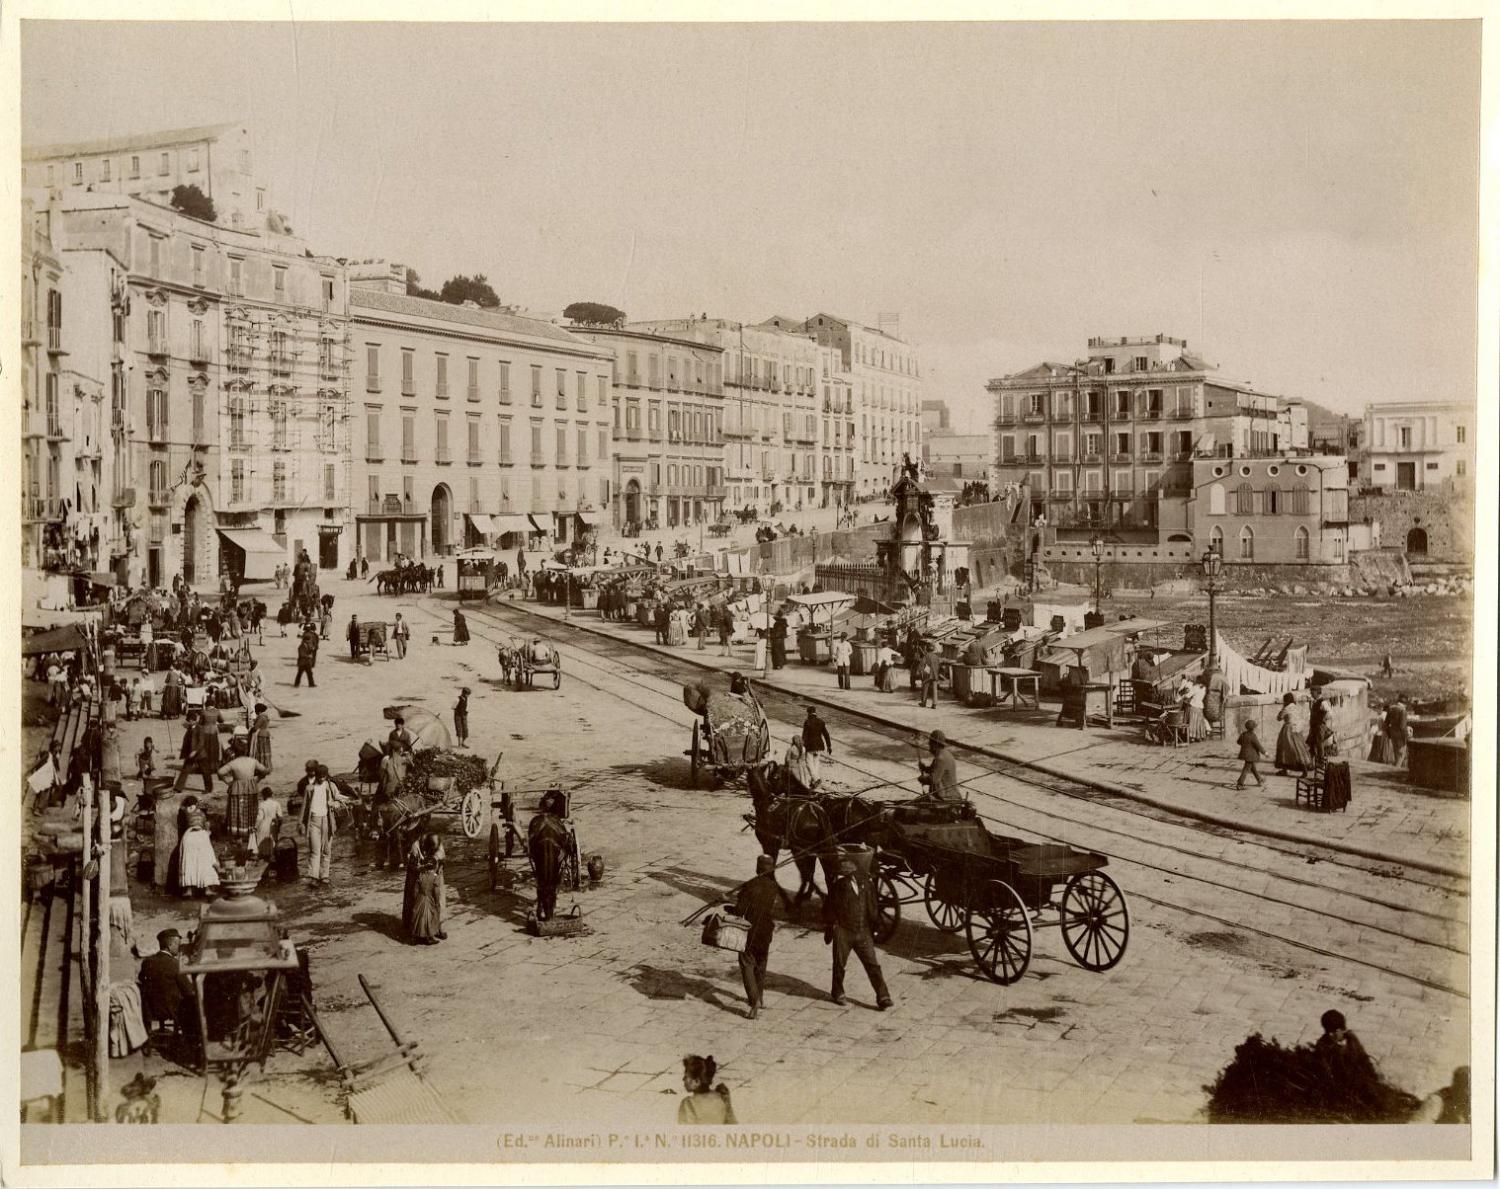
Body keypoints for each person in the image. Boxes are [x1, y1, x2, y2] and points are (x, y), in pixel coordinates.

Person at [823, 856, 892, 1010]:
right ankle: (838, 992)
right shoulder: (838, 886)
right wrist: (833, 926)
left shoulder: (867, 886)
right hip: (843, 931)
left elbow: (873, 908)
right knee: (839, 964)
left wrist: (873, 928)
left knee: (873, 965)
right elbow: (828, 907)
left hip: (863, 932)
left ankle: (883, 996)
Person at [732, 855, 793, 1019]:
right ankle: (760, 997)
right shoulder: (773, 886)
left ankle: (754, 1003)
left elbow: (740, 911)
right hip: (766, 931)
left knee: (746, 964)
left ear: (757, 868)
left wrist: (727, 903)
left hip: (751, 931)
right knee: (761, 964)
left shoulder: (750, 885)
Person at [138, 929, 196, 1039]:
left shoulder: (147, 962)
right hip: (171, 1009)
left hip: (150, 1008)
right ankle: (190, 1041)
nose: (179, 948)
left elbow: (141, 979)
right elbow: (188, 990)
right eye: (177, 945)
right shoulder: (175, 964)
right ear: (169, 945)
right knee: (192, 1004)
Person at [300, 763, 348, 886]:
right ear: (316, 775)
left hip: (327, 821)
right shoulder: (309, 789)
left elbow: (337, 798)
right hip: (314, 822)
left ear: (326, 776)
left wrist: (338, 802)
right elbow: (305, 807)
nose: (321, 779)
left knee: (327, 850)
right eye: (319, 777)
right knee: (315, 851)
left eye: (323, 777)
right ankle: (314, 877)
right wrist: (301, 823)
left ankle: (324, 876)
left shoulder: (331, 786)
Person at [217, 740, 269, 843]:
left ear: (235, 752)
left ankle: (239, 836)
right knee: (251, 809)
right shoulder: (252, 761)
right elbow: (265, 770)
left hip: (237, 788)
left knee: (238, 811)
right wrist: (258, 779)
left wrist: (227, 782)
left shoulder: (233, 763)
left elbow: (220, 772)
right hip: (251, 788)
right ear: (246, 751)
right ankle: (251, 835)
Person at [407, 833, 446, 944]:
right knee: (424, 906)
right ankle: (425, 933)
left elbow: (442, 856)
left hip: (434, 877)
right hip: (423, 878)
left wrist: (435, 861)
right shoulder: (416, 846)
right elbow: (413, 865)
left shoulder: (437, 841)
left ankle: (436, 928)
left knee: (438, 903)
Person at [176, 798, 218, 896]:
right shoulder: (202, 814)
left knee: (189, 862)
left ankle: (188, 890)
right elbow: (207, 826)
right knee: (205, 862)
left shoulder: (184, 813)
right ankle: (207, 889)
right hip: (201, 836)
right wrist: (208, 831)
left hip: (189, 836)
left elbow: (181, 826)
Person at [678, 1056, 736, 1124]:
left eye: (686, 1076)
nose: (683, 1079)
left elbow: (685, 1130)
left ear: (697, 1081)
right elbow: (732, 1123)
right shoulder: (722, 1097)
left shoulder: (688, 1103)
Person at [1275, 693, 1315, 774]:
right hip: (1297, 729)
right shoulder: (1297, 707)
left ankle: (1287, 769)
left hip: (1288, 729)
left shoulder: (1286, 708)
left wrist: (1282, 709)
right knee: (1299, 748)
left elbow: (1279, 718)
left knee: (1285, 749)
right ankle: (1302, 768)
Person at [919, 730, 961, 802]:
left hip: (945, 797)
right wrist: (925, 768)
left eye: (930, 744)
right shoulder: (946, 754)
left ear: (935, 745)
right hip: (951, 794)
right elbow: (937, 770)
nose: (929, 747)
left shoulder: (940, 759)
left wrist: (922, 779)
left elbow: (934, 780)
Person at [801, 706, 832, 786]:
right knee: (816, 763)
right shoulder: (821, 722)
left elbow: (804, 736)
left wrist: (802, 746)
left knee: (809, 764)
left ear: (808, 713)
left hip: (810, 746)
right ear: (815, 712)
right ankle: (814, 780)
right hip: (819, 746)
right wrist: (829, 746)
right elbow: (826, 734)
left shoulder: (807, 722)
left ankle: (816, 779)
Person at [1235, 719, 1266, 790]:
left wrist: (1245, 744)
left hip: (1244, 754)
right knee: (1246, 769)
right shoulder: (1253, 736)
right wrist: (1265, 752)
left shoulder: (1243, 734)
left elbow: (1238, 742)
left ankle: (1259, 779)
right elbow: (1258, 745)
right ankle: (1240, 784)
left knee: (1252, 767)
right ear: (1253, 728)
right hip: (1251, 755)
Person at [248, 702, 273, 774]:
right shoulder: (265, 716)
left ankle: (261, 768)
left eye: (256, 710)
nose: (255, 712)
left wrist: (250, 730)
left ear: (258, 710)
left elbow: (255, 728)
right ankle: (266, 766)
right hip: (266, 734)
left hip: (261, 735)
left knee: (260, 751)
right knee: (266, 751)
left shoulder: (261, 717)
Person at [916, 640, 942, 710]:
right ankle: (934, 704)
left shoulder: (926, 656)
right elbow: (939, 665)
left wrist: (920, 671)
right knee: (934, 689)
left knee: (925, 688)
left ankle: (924, 702)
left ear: (927, 649)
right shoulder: (936, 657)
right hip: (935, 674)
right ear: (933, 649)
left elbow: (921, 665)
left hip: (927, 674)